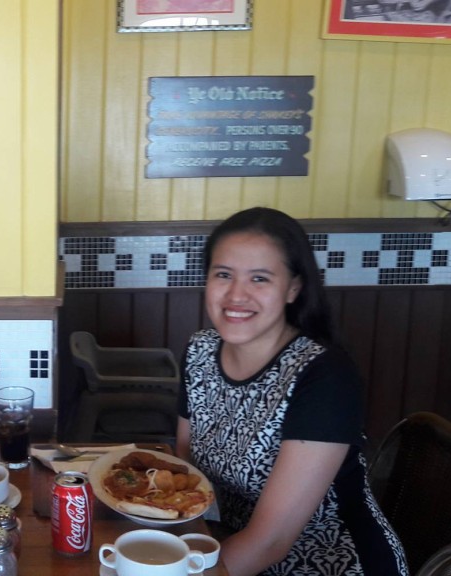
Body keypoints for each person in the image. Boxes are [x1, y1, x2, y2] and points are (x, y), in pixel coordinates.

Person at [175, 208, 409, 576]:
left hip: (329, 561)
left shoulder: (324, 376)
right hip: (230, 545)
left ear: (293, 288)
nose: (236, 295)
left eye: (260, 279)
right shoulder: (200, 350)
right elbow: (185, 476)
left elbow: (272, 540)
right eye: (223, 275)